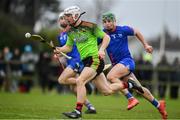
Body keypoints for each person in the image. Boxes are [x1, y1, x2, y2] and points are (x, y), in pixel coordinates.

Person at [55, 6, 143, 119]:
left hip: (94, 60)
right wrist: (59, 49)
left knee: (80, 81)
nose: (66, 19)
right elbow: (68, 47)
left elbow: (106, 37)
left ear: (75, 16)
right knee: (106, 91)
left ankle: (77, 111)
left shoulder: (90, 26)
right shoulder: (71, 31)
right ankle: (129, 84)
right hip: (86, 62)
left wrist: (101, 50)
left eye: (68, 16)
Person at [101, 12, 167, 119]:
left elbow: (136, 32)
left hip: (127, 61)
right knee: (139, 88)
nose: (107, 24)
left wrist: (145, 45)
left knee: (111, 76)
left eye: (109, 21)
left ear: (114, 21)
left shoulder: (123, 29)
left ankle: (130, 98)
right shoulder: (103, 34)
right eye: (104, 22)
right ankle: (159, 105)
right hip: (118, 66)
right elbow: (92, 43)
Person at [56, 12, 97, 114]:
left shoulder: (73, 31)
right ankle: (90, 107)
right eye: (60, 19)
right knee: (74, 89)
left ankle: (83, 82)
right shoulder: (60, 36)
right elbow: (66, 49)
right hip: (70, 60)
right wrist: (59, 53)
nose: (62, 20)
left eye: (64, 18)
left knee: (61, 80)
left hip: (77, 59)